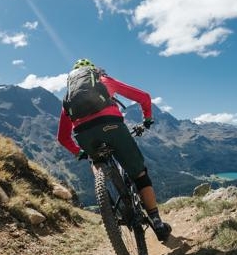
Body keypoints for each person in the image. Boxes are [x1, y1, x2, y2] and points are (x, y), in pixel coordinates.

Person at [57, 58, 172, 241]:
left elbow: (62, 137)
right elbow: (144, 97)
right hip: (112, 127)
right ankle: (157, 223)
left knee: (95, 159)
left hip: (84, 134)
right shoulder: (104, 81)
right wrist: (147, 119)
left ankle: (104, 194)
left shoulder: (69, 99)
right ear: (94, 72)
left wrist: (79, 152)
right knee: (139, 173)